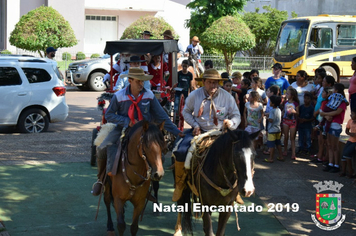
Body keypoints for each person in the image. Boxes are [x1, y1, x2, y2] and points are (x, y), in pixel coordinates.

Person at [92, 67, 184, 196]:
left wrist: (176, 131)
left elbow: (161, 116)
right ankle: (100, 180)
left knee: (159, 154)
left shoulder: (149, 95)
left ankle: (152, 181)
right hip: (123, 129)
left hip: (145, 130)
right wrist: (126, 121)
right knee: (102, 148)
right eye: (138, 81)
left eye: (143, 81)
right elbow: (109, 115)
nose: (141, 84)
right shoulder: (119, 96)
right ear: (130, 80)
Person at [172, 68, 241, 202]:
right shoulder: (194, 95)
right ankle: (180, 185)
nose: (213, 86)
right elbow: (185, 112)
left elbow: (236, 115)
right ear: (203, 82)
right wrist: (195, 125)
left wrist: (231, 123)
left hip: (221, 133)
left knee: (239, 153)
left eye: (216, 83)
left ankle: (236, 187)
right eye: (210, 82)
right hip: (200, 131)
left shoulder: (227, 97)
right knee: (180, 151)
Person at [320, 83, 347, 173]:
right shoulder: (332, 99)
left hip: (335, 125)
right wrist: (325, 115)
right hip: (329, 124)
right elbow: (324, 110)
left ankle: (336, 164)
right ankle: (331, 163)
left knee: (335, 146)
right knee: (330, 145)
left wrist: (325, 114)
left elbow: (336, 112)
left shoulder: (342, 102)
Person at [310, 76, 335, 163]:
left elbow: (322, 109)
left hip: (322, 120)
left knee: (323, 141)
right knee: (320, 139)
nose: (322, 82)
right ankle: (320, 155)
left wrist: (316, 112)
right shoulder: (321, 90)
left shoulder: (327, 101)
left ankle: (323, 157)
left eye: (324, 81)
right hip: (319, 119)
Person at [282, 86, 299, 160]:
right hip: (285, 120)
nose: (286, 95)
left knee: (292, 138)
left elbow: (298, 113)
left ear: (292, 95)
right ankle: (285, 150)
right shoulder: (285, 102)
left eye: (288, 94)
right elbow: (283, 110)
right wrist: (282, 114)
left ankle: (293, 153)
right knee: (286, 136)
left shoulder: (296, 103)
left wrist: (294, 112)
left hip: (293, 121)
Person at [264, 95, 283, 163]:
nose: (269, 103)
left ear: (273, 103)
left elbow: (271, 120)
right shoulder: (279, 110)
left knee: (271, 145)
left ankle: (271, 158)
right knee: (278, 144)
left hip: (272, 130)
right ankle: (281, 156)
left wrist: (267, 118)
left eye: (270, 101)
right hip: (278, 129)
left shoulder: (272, 111)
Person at [263, 85, 281, 155]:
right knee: (278, 142)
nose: (267, 92)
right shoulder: (278, 109)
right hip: (277, 128)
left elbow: (271, 119)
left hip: (272, 127)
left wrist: (266, 116)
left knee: (271, 141)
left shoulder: (273, 109)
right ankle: (280, 155)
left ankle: (270, 154)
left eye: (268, 91)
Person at [340, 109, 356, 178]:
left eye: (352, 114)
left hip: (355, 142)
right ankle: (343, 171)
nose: (351, 115)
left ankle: (350, 171)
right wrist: (349, 133)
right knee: (343, 155)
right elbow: (347, 130)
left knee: (347, 154)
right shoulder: (350, 121)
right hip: (350, 140)